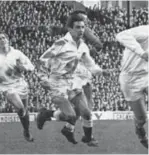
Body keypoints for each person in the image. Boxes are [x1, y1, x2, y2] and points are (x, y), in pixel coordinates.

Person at [36, 13, 108, 146]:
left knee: (86, 113)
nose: (81, 30)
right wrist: (42, 78)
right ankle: (46, 114)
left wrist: (102, 71)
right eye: (77, 27)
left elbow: (90, 64)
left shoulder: (82, 46)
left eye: (82, 27)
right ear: (70, 29)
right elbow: (42, 60)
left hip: (73, 83)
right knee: (71, 116)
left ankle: (88, 139)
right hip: (57, 84)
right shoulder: (60, 44)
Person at [116, 25, 148, 148]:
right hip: (130, 79)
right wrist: (141, 53)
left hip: (147, 75)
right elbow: (120, 35)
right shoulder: (144, 31)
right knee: (142, 118)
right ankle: (139, 128)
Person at [0, 32, 34, 142]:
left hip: (21, 85)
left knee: (25, 112)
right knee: (20, 108)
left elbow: (31, 66)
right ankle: (24, 123)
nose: (2, 39)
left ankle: (26, 130)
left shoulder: (17, 53)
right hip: (7, 87)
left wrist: (23, 67)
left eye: (3, 37)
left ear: (8, 39)